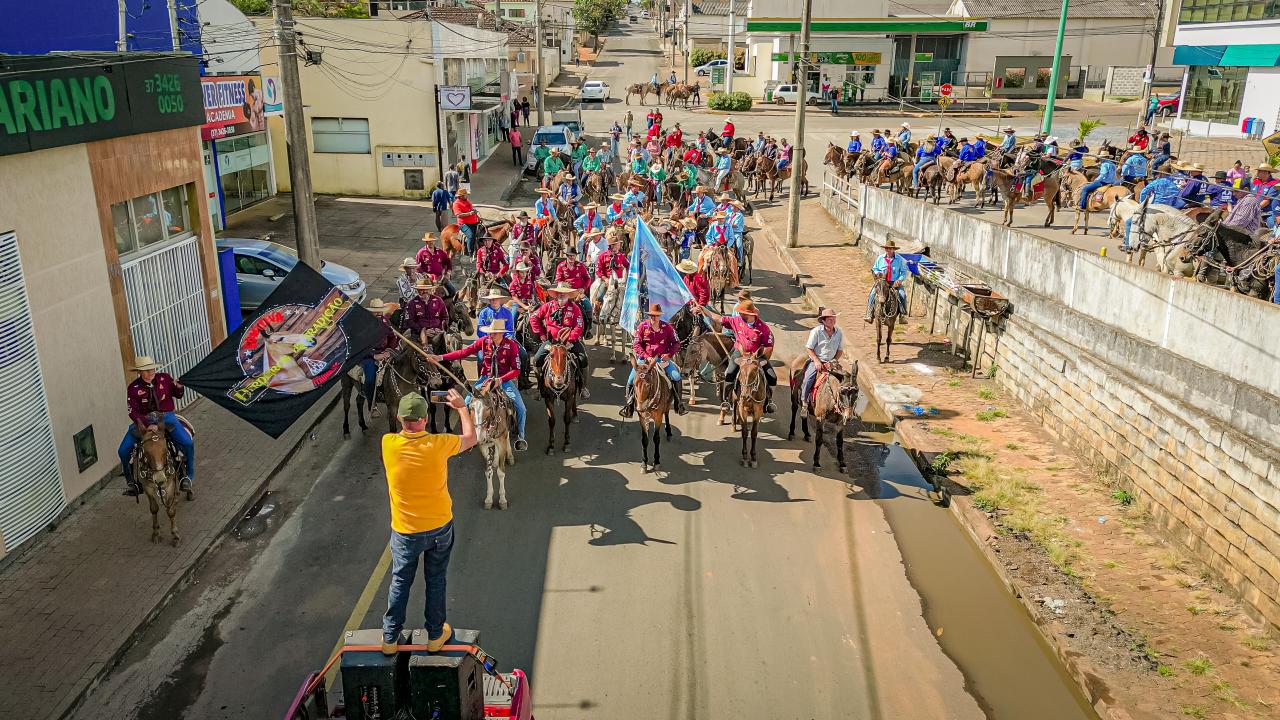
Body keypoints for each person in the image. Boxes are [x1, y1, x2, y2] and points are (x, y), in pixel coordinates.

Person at [379, 389, 477, 656]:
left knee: (400, 581)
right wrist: (461, 408)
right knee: (436, 579)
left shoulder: (388, 443)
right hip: (439, 528)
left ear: (400, 418)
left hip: (405, 531)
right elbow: (472, 438)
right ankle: (435, 635)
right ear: (424, 419)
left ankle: (390, 638)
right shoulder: (439, 443)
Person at [118, 356, 195, 496]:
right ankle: (132, 483)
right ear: (139, 372)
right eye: (146, 370)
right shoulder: (133, 388)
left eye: (152, 368)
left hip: (167, 416)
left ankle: (188, 476)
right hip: (144, 420)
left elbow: (178, 395)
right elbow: (132, 411)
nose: (151, 371)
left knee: (187, 442)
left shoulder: (164, 378)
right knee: (123, 450)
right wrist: (147, 424)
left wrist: (179, 387)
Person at [698, 300, 777, 413]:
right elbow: (719, 318)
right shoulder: (736, 321)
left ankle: (769, 401)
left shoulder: (763, 328)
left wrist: (758, 357)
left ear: (750, 314)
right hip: (739, 352)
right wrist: (704, 310)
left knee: (772, 377)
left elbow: (769, 346)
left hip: (757, 355)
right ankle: (726, 400)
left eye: (742, 313)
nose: (739, 314)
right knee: (729, 374)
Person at [529, 283, 590, 397]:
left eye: (564, 293)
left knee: (583, 358)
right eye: (559, 293)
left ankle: (583, 387)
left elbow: (579, 326)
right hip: (552, 341)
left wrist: (569, 339)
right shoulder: (548, 306)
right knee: (537, 359)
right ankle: (539, 387)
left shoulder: (575, 308)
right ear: (556, 294)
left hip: (570, 342)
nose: (561, 295)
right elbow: (533, 317)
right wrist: (541, 334)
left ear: (568, 295)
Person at [359, 299, 400, 417]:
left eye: (379, 311)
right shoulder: (364, 325)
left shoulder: (385, 321)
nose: (378, 314)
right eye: (375, 312)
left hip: (385, 352)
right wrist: (374, 355)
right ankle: (372, 404)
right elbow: (361, 345)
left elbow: (393, 337)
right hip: (369, 356)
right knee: (370, 378)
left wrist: (389, 349)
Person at [800, 308, 844, 408]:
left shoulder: (839, 333)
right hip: (817, 361)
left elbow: (840, 350)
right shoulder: (816, 331)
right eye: (829, 319)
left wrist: (833, 361)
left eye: (833, 319)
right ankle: (804, 402)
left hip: (832, 362)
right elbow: (809, 348)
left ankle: (844, 405)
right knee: (808, 379)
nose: (832, 321)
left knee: (845, 381)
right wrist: (817, 361)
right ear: (823, 321)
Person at [864, 237, 909, 323]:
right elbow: (875, 268)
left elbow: (903, 272)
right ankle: (869, 314)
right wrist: (877, 273)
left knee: (902, 295)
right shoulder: (880, 258)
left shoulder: (900, 259)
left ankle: (903, 315)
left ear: (893, 249)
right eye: (886, 248)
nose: (888, 250)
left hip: (893, 283)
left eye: (890, 248)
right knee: (872, 294)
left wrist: (899, 280)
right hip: (882, 282)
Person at [554, 253, 594, 337]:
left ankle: (588, 329)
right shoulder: (561, 266)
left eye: (573, 255)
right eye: (569, 255)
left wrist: (583, 289)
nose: (571, 257)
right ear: (566, 256)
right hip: (565, 292)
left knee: (588, 306)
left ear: (575, 256)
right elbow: (557, 280)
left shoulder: (581, 265)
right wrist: (562, 285)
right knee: (554, 307)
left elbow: (588, 279)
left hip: (578, 292)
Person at [405, 278, 450, 347]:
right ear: (417, 290)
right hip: (418, 333)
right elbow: (409, 321)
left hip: (438, 331)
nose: (423, 292)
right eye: (420, 290)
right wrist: (422, 331)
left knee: (450, 345)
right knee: (412, 351)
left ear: (430, 290)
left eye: (426, 289)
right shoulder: (412, 303)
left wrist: (440, 328)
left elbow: (445, 317)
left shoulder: (438, 300)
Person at [415, 232, 455, 297]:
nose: (431, 242)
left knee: (452, 291)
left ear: (434, 241)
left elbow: (448, 261)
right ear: (426, 242)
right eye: (429, 241)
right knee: (422, 294)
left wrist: (448, 273)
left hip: (440, 277)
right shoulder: (421, 253)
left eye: (432, 241)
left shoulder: (440, 251)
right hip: (427, 279)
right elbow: (417, 266)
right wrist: (425, 274)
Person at [452, 188, 480, 256]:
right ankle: (470, 253)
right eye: (464, 195)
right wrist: (470, 213)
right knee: (471, 236)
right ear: (460, 196)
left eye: (466, 195)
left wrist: (473, 211)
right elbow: (458, 215)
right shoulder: (456, 204)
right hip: (464, 224)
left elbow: (470, 208)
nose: (466, 196)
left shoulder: (467, 200)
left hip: (474, 222)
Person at [1250, 163, 1279, 228]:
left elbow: (1267, 201)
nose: (1257, 173)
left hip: (1268, 212)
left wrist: (1253, 209)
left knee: (1272, 224)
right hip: (1254, 209)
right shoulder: (1255, 182)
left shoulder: (1275, 183)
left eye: (1260, 171)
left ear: (1267, 173)